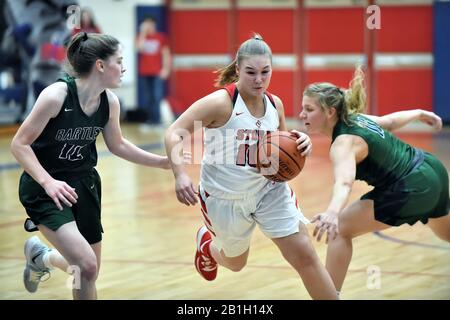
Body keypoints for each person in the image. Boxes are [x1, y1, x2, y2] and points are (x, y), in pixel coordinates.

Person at [10, 32, 185, 300]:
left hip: (84, 185)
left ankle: (41, 258)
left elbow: (118, 145)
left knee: (89, 271)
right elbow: (19, 144)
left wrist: (163, 163)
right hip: (46, 186)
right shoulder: (56, 96)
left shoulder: (110, 102)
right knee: (86, 265)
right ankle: (42, 256)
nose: (125, 67)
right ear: (101, 65)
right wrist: (48, 182)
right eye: (119, 60)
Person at [164, 34, 339, 300]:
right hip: (224, 197)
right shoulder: (220, 104)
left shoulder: (274, 103)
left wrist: (300, 141)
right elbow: (174, 132)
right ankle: (207, 246)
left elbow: (281, 144)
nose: (259, 79)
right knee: (236, 263)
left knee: (305, 254)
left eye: (265, 72)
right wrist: (180, 176)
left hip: (268, 190)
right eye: (251, 73)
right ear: (237, 70)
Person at [299, 65, 450, 297]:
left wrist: (332, 212)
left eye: (309, 109)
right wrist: (419, 112)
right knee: (446, 234)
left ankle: (328, 296)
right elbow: (388, 121)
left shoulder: (343, 143)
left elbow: (344, 182)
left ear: (330, 112)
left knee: (340, 229)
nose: (302, 115)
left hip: (412, 186)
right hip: (432, 169)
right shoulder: (357, 119)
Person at [136, 16, 171, 126]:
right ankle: (150, 120)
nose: (148, 26)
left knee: (157, 96)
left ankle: (157, 120)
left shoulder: (161, 37)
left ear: (154, 25)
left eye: (150, 24)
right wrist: (142, 32)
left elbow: (166, 54)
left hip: (157, 72)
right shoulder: (141, 37)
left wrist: (165, 69)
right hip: (144, 72)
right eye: (146, 24)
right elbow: (139, 48)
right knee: (147, 98)